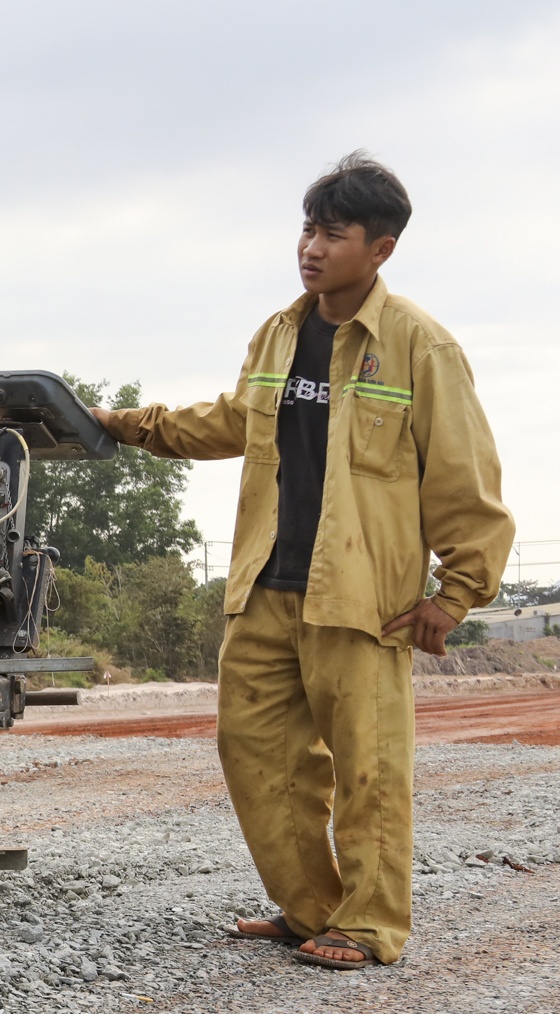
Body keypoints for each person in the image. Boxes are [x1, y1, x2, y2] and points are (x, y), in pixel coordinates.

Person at [90, 152, 513, 971]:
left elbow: (465, 477)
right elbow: (229, 419)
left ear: (381, 248)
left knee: (369, 770)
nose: (311, 247)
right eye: (307, 229)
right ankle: (313, 909)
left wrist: (456, 593)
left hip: (362, 600)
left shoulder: (421, 347)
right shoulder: (281, 333)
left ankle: (371, 923)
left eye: (333, 232)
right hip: (265, 587)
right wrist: (121, 423)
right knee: (256, 753)